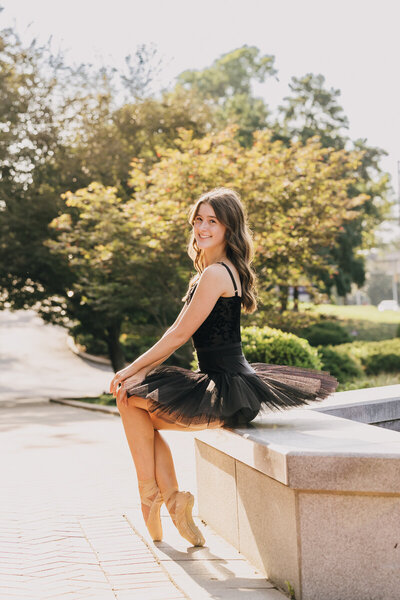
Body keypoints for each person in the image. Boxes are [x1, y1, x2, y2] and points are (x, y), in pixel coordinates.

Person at [110, 187, 338, 547]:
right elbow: (180, 333)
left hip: (226, 389)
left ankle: (155, 499)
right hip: (229, 383)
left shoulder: (215, 274)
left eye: (211, 221)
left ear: (229, 228)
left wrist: (130, 371)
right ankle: (169, 500)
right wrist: (136, 375)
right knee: (136, 409)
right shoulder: (223, 270)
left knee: (129, 401)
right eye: (198, 220)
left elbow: (179, 333)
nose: (201, 227)